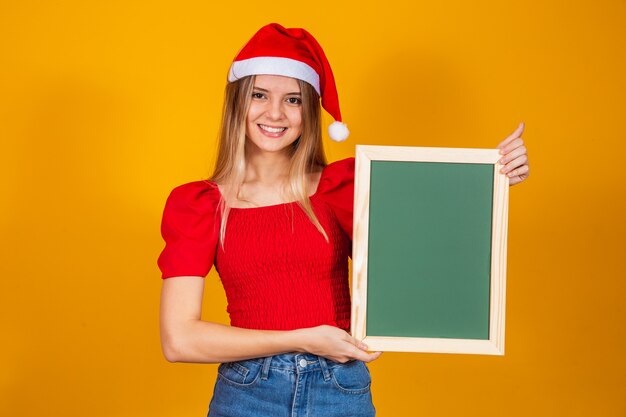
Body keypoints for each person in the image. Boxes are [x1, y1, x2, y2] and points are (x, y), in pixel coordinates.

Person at [157, 23, 529, 417]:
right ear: (237, 103)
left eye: (294, 100)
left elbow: (432, 237)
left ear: (309, 112)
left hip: (337, 387)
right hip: (248, 391)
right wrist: (304, 338)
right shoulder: (199, 204)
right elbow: (179, 340)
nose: (275, 113)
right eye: (259, 95)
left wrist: (496, 176)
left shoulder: (343, 187)